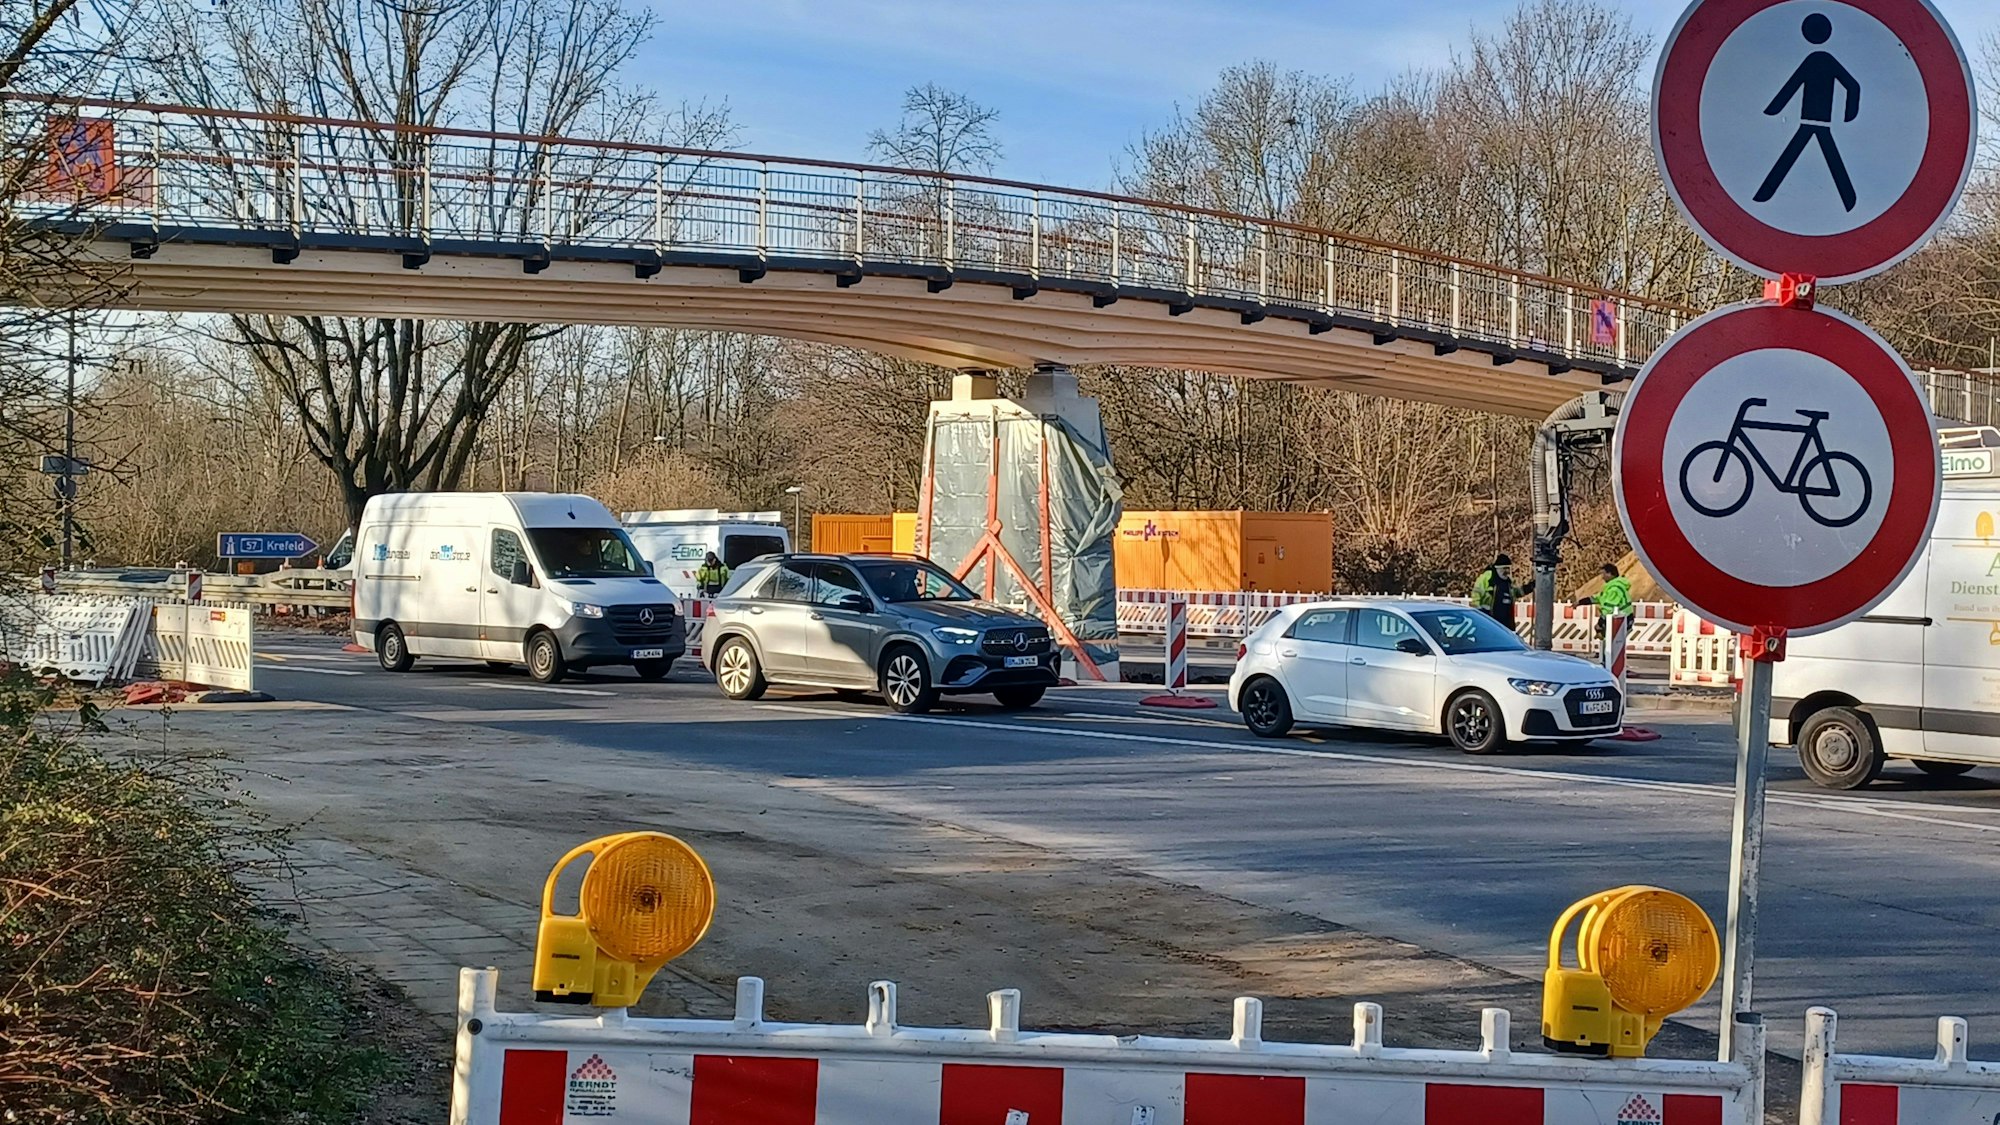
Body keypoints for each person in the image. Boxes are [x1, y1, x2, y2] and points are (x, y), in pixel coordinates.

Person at [1471, 553, 1528, 630]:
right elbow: (1476, 593)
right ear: (1498, 568)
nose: (1507, 571)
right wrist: (1478, 612)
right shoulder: (1488, 577)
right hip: (1489, 620)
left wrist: (1530, 587)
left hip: (1505, 624)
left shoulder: (1508, 582)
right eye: (1504, 568)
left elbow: (1516, 593)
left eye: (1508, 568)